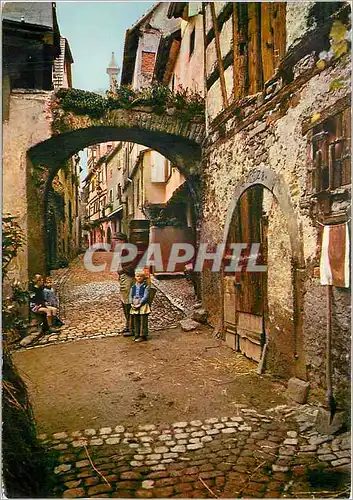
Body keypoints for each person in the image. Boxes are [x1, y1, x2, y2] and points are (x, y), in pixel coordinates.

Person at [114, 232, 135, 336]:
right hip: (124, 277)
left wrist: (122, 271)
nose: (115, 242)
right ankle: (128, 326)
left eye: (117, 240)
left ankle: (131, 327)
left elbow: (134, 264)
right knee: (124, 301)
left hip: (128, 277)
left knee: (127, 302)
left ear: (123, 240)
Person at [129, 269, 151, 342]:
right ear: (135, 277)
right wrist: (132, 303)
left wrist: (140, 303)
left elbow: (145, 296)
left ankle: (143, 335)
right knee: (136, 320)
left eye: (141, 276)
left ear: (143, 277)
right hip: (135, 303)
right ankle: (136, 334)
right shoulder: (133, 287)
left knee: (143, 320)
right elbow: (131, 295)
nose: (139, 278)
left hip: (142, 304)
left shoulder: (145, 286)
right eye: (137, 276)